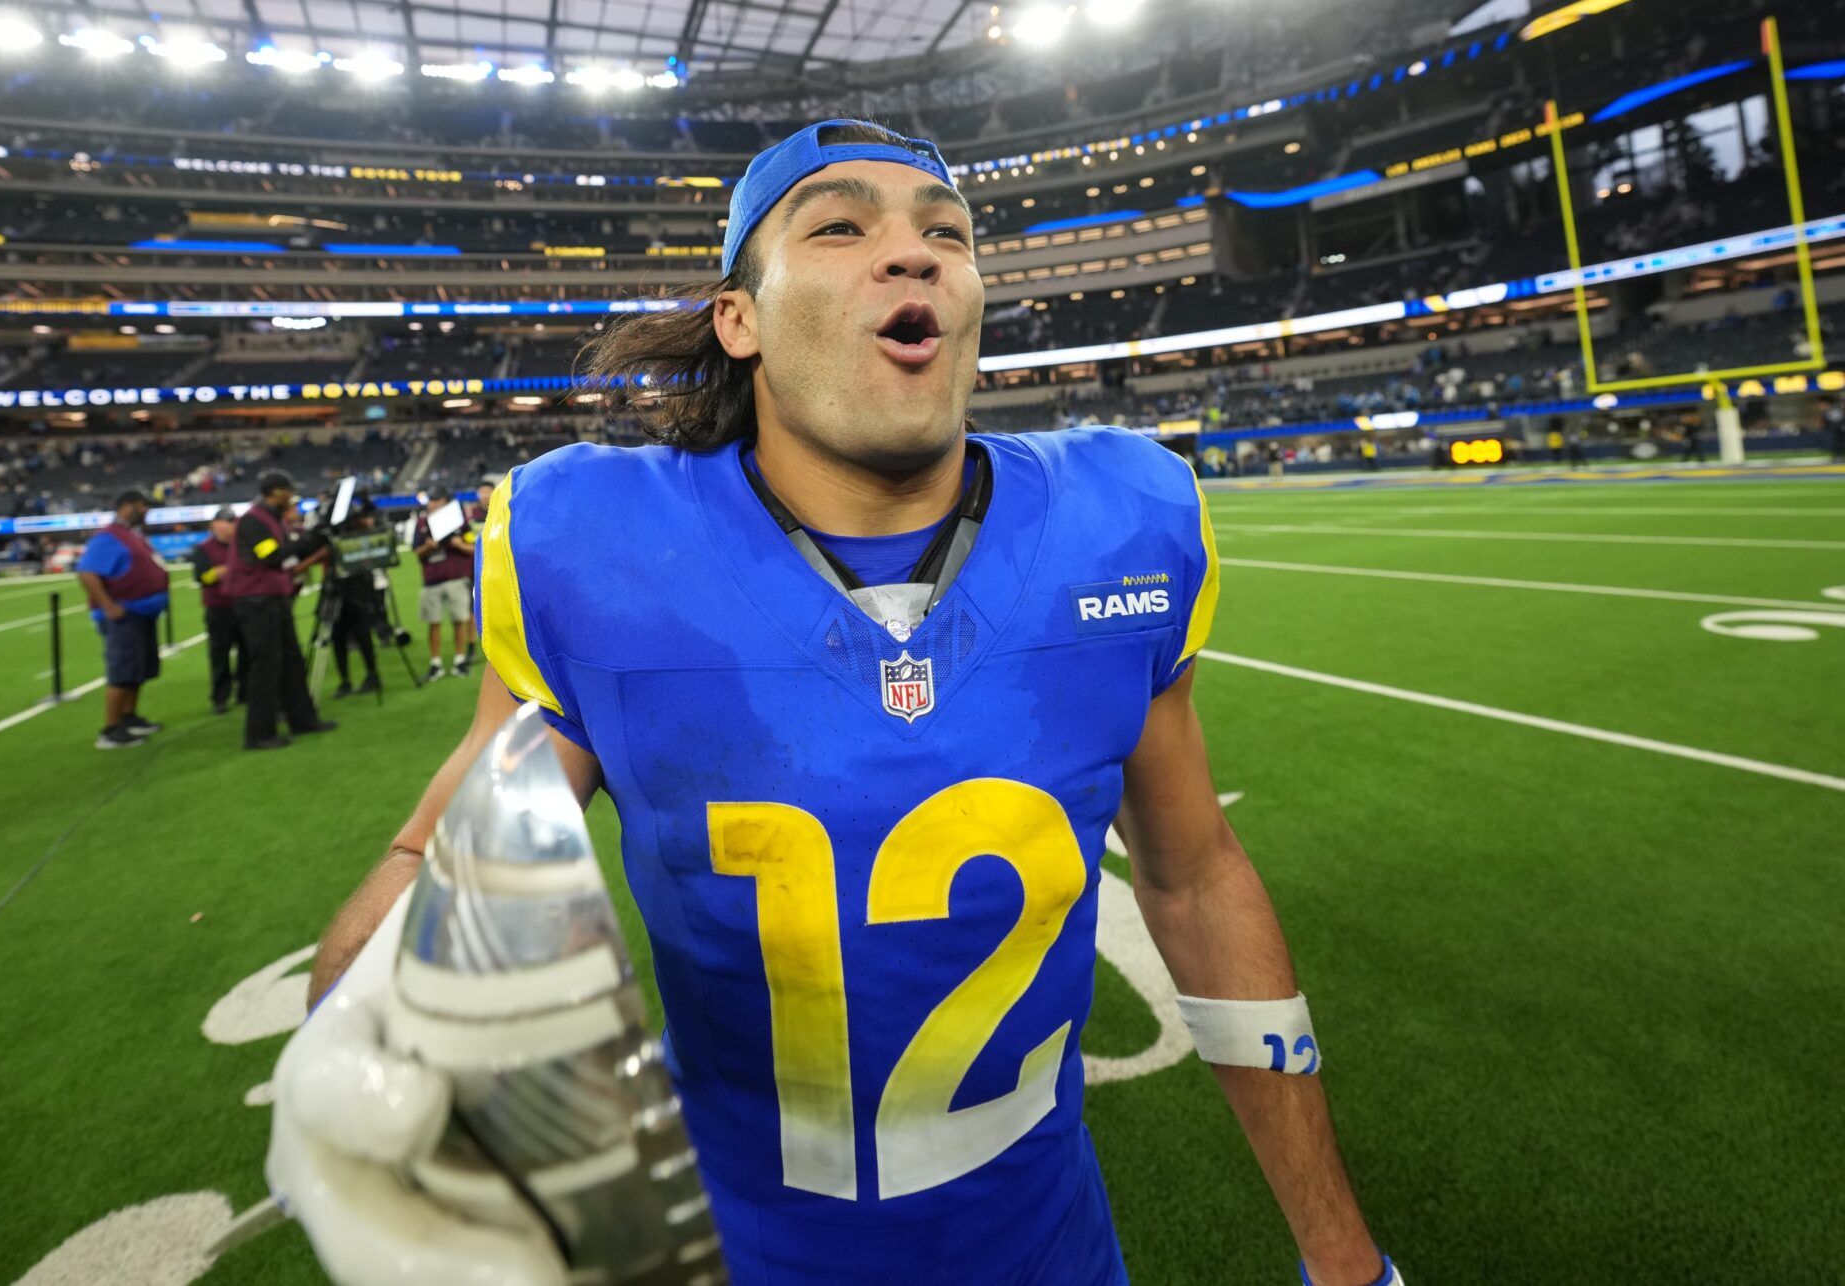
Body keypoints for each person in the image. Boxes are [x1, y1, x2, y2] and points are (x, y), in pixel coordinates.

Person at [273, 120, 1398, 1286]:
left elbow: (1193, 874)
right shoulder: (598, 548)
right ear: (740, 319)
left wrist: (1345, 1260)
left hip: (1052, 1254)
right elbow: (445, 865)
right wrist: (364, 1025)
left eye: (947, 233)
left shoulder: (1120, 524)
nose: (912, 251)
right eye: (841, 227)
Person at [228, 471, 337, 751]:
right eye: (288, 491)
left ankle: (303, 719)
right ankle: (259, 733)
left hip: (272, 597)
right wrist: (311, 539)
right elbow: (271, 556)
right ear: (276, 492)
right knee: (266, 664)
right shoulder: (254, 520)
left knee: (291, 661)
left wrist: (313, 540)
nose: (291, 497)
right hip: (257, 600)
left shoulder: (269, 518)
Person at [75, 488, 169, 750]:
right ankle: (111, 729)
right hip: (126, 614)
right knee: (123, 670)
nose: (146, 510)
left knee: (138, 670)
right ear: (128, 506)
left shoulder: (131, 534)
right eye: (143, 505)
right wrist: (108, 605)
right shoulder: (109, 536)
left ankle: (129, 717)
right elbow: (87, 572)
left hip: (141, 612)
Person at [411, 484, 476, 681]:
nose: (432, 504)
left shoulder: (459, 520)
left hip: (456, 576)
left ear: (446, 502)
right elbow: (416, 551)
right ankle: (435, 663)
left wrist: (459, 545)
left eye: (436, 500)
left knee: (459, 620)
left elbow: (472, 547)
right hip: (432, 579)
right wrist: (427, 547)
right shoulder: (422, 522)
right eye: (431, 500)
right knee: (434, 622)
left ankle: (460, 659)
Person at [191, 507, 247, 715]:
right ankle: (220, 697)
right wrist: (223, 571)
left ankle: (245, 691)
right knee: (219, 654)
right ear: (214, 525)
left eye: (232, 522)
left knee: (247, 651)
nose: (230, 526)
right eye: (226, 522)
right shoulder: (204, 548)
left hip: (243, 604)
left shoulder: (241, 545)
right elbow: (202, 577)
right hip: (218, 608)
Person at [327, 494, 383, 698]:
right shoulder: (334, 531)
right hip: (337, 588)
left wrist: (364, 500)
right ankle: (345, 680)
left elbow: (375, 517)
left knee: (362, 634)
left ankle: (372, 675)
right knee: (337, 637)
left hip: (358, 587)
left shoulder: (359, 531)